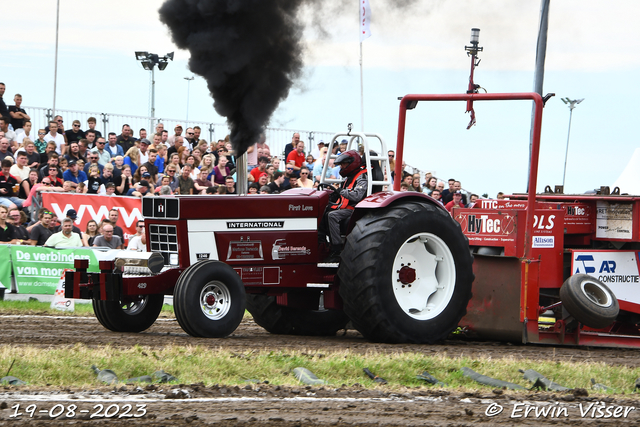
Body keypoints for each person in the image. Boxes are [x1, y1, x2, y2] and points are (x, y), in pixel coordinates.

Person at [321, 150, 368, 263]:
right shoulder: (348, 178)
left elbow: (357, 196)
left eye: (343, 164)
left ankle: (337, 249)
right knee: (322, 209)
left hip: (355, 210)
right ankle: (321, 243)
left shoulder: (362, 177)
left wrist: (340, 191)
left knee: (332, 216)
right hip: (344, 207)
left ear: (351, 163)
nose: (341, 166)